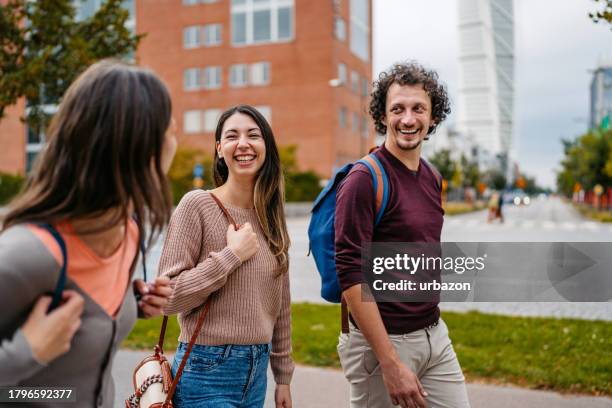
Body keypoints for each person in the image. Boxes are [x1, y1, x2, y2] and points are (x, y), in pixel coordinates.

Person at [0, 59, 176, 407]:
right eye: (168, 130)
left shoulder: (128, 233)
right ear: (136, 149)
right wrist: (25, 355)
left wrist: (132, 304)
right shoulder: (24, 257)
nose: (175, 139)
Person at [335, 62, 471, 408]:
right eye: (397, 109)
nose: (407, 119)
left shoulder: (431, 176)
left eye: (418, 109)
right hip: (383, 342)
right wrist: (390, 362)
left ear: (433, 118)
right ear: (382, 117)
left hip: (434, 336)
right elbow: (351, 273)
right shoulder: (364, 179)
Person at [158, 104, 293, 408]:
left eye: (253, 135)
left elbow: (281, 304)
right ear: (220, 150)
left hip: (257, 374)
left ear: (266, 147)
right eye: (232, 136)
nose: (243, 143)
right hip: (205, 372)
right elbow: (167, 297)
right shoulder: (197, 205)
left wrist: (283, 377)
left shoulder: (271, 216)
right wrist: (230, 256)